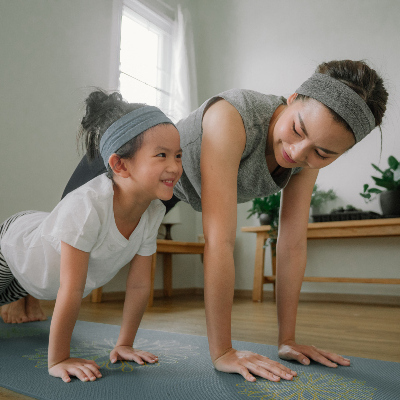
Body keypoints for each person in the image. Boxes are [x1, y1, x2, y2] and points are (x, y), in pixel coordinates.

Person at [3, 60, 388, 383]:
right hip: (133, 168)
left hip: (170, 189)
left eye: (323, 152)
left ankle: (24, 292)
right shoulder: (233, 116)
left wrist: (286, 339)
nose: (298, 153)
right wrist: (222, 351)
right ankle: (24, 292)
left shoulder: (304, 157)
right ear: (291, 100)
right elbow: (218, 240)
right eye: (298, 130)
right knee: (55, 242)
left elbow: (291, 243)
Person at [0, 91, 184, 382]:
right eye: (162, 155)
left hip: (34, 279)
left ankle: (20, 299)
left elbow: (138, 286)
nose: (174, 167)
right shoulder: (87, 206)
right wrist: (59, 359)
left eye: (178, 155)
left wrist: (124, 344)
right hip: (13, 247)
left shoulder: (152, 212)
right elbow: (71, 289)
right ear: (120, 165)